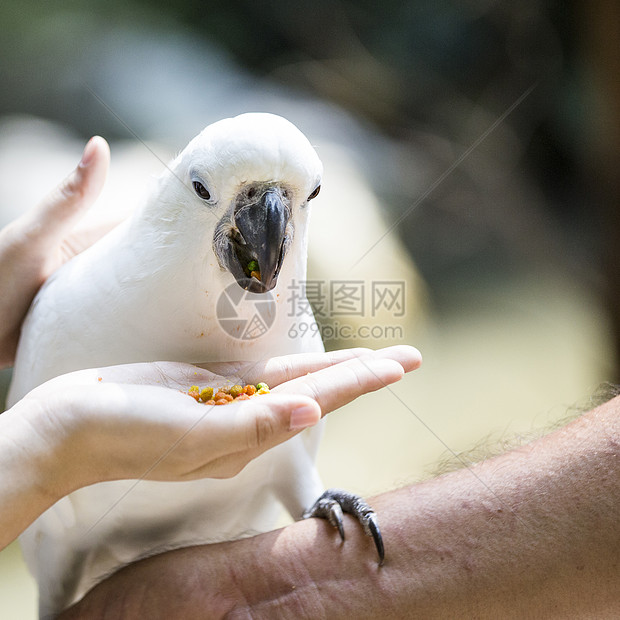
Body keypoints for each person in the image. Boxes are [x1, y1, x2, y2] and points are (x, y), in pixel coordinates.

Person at [0, 138, 420, 560]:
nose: (268, 221)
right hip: (85, 554)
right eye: (203, 191)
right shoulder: (65, 305)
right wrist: (47, 442)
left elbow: (286, 456)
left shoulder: (292, 324)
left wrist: (313, 500)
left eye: (304, 197)